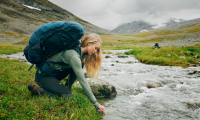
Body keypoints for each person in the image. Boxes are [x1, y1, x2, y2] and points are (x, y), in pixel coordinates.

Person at [28, 33, 105, 114]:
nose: (95, 51)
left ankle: (67, 87)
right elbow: (82, 80)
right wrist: (95, 103)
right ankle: (39, 91)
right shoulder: (74, 55)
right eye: (95, 48)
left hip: (54, 74)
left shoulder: (77, 50)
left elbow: (78, 71)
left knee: (80, 64)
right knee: (68, 96)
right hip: (43, 77)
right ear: (89, 43)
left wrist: (84, 75)